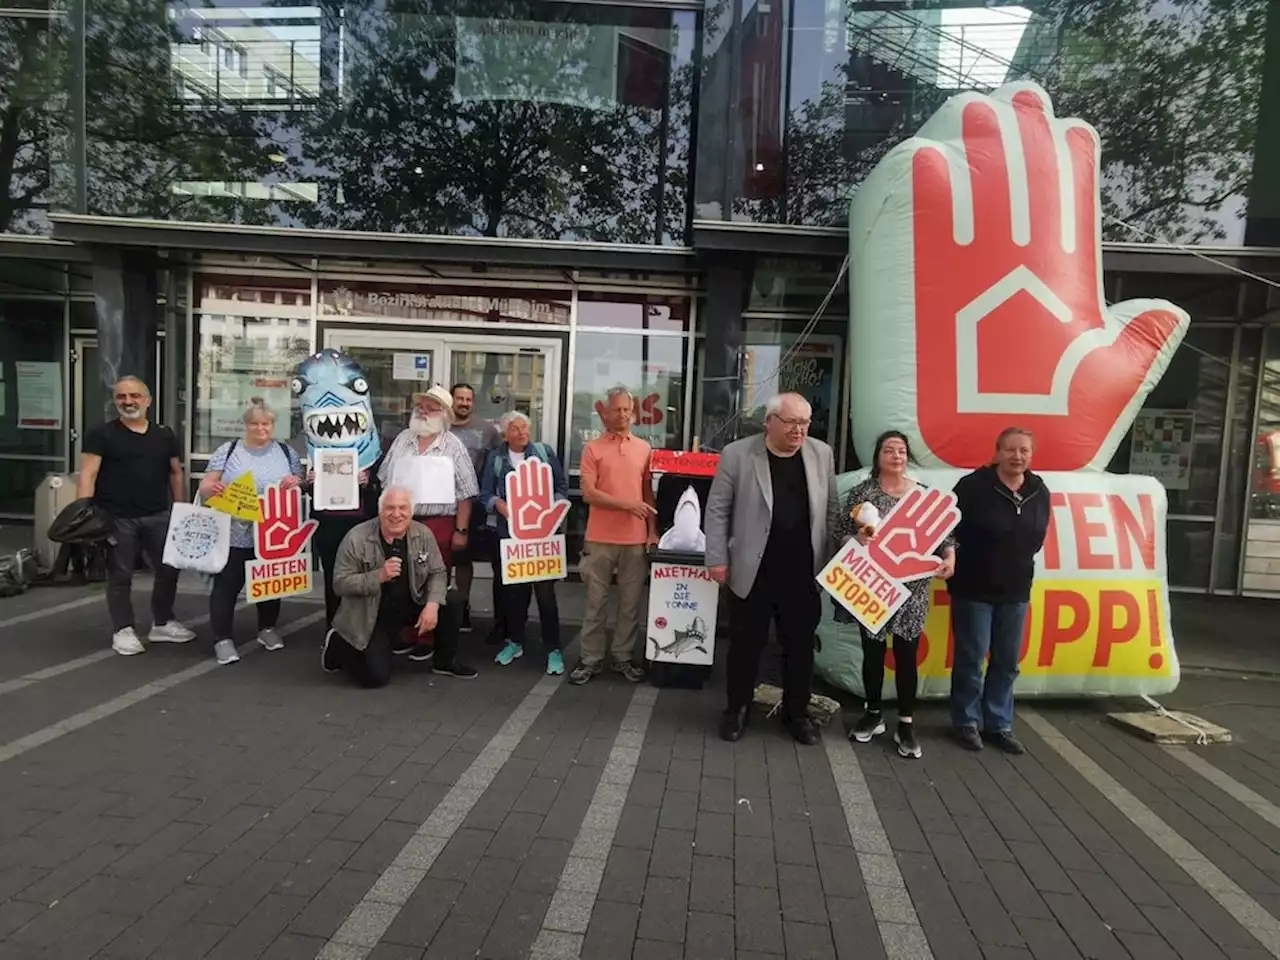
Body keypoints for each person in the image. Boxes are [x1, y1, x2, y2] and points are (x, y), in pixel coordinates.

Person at [705, 393, 838, 746]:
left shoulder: (821, 454)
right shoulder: (738, 455)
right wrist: (717, 558)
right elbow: (717, 509)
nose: (799, 431)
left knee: (799, 647)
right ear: (770, 422)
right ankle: (736, 709)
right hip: (752, 569)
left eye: (805, 423)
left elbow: (831, 511)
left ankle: (797, 713)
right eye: (792, 422)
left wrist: (837, 558)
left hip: (803, 571)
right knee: (745, 645)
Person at [837, 431, 955, 760]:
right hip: (872, 585)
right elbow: (840, 531)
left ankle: (906, 723)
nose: (896, 456)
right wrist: (855, 540)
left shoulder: (922, 496)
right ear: (877, 456)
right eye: (888, 450)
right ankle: (872, 713)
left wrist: (949, 557)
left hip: (912, 589)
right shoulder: (863, 493)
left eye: (901, 450)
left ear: (908, 457)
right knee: (872, 654)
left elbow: (945, 535)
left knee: (906, 655)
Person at [948, 427, 1051, 755]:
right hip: (973, 587)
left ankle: (999, 724)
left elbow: (1039, 535)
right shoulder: (972, 487)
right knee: (971, 658)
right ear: (997, 452)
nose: (1017, 457)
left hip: (1016, 589)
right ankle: (966, 722)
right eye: (1010, 450)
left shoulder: (1039, 489)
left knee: (1007, 661)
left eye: (1024, 451)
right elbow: (949, 531)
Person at [77, 376, 196, 656]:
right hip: (116, 517)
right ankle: (123, 630)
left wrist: (182, 510)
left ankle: (163, 622)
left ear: (148, 400)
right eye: (121, 397)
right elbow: (88, 473)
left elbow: (176, 473)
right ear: (115, 401)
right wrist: (82, 512)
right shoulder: (101, 434)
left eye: (134, 396)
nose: (128, 402)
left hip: (158, 515)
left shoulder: (165, 434)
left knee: (169, 569)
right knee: (120, 575)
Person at [322, 486, 474, 686]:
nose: (396, 514)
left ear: (411, 512)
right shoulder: (356, 538)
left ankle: (444, 662)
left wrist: (432, 605)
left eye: (403, 508)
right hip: (372, 614)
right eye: (389, 508)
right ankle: (339, 643)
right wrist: (378, 576)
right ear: (379, 511)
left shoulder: (423, 534)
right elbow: (340, 583)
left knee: (451, 599)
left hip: (411, 602)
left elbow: (437, 572)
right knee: (373, 679)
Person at [199, 399, 305, 666]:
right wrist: (214, 489)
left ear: (272, 425)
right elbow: (206, 485)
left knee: (270, 585)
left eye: (266, 423)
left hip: (273, 533)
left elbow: (298, 484)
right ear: (246, 425)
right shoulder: (229, 449)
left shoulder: (285, 451)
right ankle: (222, 639)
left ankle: (267, 629)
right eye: (255, 423)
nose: (261, 428)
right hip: (235, 531)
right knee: (227, 586)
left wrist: (296, 482)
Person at [378, 385, 480, 662]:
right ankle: (406, 633)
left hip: (438, 522)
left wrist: (461, 530)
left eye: (430, 408)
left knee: (433, 577)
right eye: (421, 406)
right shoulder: (402, 440)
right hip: (402, 521)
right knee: (400, 579)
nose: (423, 411)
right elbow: (385, 478)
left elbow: (467, 492)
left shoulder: (453, 446)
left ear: (444, 414)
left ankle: (428, 636)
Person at [573, 388, 657, 685]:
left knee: (630, 604)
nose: (622, 414)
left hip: (635, 540)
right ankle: (590, 660)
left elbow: (647, 493)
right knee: (595, 603)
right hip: (599, 538)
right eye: (616, 410)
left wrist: (653, 532)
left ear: (633, 413)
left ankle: (623, 659)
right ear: (604, 413)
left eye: (626, 410)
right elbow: (589, 493)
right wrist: (627, 505)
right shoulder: (592, 449)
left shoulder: (644, 449)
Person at [481, 411, 569, 676]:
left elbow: (561, 486)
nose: (522, 433)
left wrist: (549, 507)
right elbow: (485, 493)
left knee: (546, 596)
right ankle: (515, 641)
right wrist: (498, 504)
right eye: (515, 429)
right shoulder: (496, 459)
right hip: (511, 538)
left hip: (543, 537)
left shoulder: (544, 453)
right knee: (515, 596)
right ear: (505, 433)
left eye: (525, 428)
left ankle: (553, 649)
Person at [449, 382, 501, 637]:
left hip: (473, 503)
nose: (464, 403)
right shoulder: (439, 426)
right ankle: (439, 606)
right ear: (451, 400)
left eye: (468, 399)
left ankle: (462, 606)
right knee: (438, 558)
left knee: (463, 558)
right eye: (459, 398)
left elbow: (498, 464)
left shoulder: (487, 430)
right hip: (439, 502)